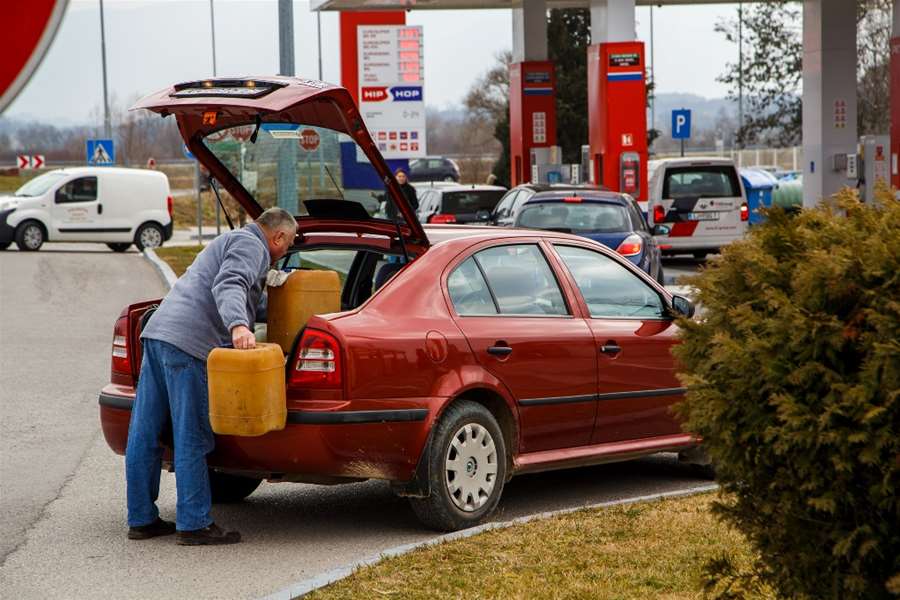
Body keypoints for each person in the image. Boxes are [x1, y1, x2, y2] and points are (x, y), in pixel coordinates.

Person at [125, 207, 298, 546]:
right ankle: (194, 524)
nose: (286, 250)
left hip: (159, 335)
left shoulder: (231, 240)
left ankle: (141, 519)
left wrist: (276, 301)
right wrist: (239, 326)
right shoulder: (252, 246)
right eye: (289, 243)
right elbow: (230, 283)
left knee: (144, 434)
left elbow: (240, 292)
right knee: (191, 434)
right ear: (278, 236)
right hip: (189, 345)